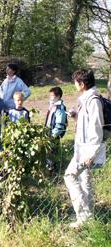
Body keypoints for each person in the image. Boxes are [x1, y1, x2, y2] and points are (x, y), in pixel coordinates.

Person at [64, 69, 106, 228]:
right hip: (82, 148)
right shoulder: (86, 99)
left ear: (82, 84)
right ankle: (89, 219)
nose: (74, 85)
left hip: (87, 150)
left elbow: (97, 129)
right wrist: (75, 116)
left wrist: (91, 154)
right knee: (84, 180)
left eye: (75, 82)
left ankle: (83, 216)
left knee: (69, 176)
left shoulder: (93, 100)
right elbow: (86, 125)